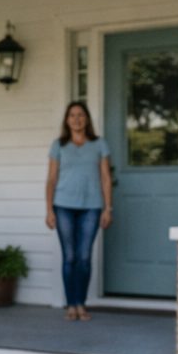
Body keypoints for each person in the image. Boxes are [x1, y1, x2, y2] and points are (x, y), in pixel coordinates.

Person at [44, 100, 113, 320]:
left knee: (84, 257)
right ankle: (71, 305)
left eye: (80, 115)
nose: (76, 119)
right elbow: (51, 179)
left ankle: (81, 304)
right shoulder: (59, 145)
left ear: (87, 119)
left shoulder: (99, 144)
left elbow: (105, 178)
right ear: (67, 120)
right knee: (70, 256)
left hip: (91, 207)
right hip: (63, 205)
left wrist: (108, 208)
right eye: (72, 115)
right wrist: (49, 210)